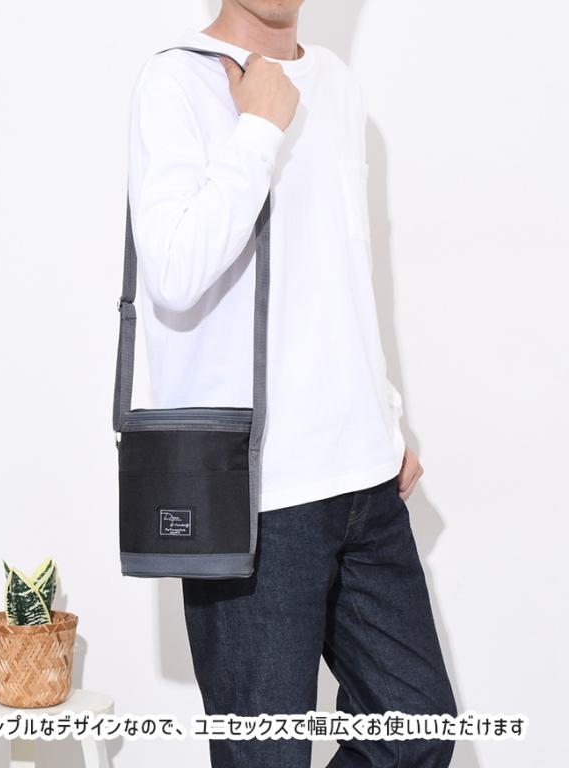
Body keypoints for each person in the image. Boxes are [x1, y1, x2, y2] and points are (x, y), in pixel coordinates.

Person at [127, 1, 458, 765]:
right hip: (253, 495)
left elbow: (346, 268)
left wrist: (386, 417)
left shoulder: (337, 83)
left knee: (418, 728)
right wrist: (258, 127)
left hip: (366, 477)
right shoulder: (175, 81)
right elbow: (172, 273)